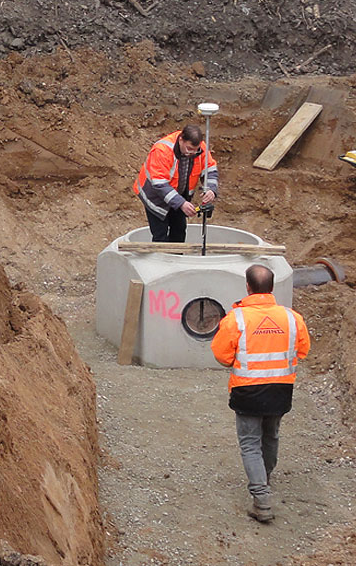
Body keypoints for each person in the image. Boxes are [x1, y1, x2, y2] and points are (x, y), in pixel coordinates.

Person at [211, 264, 310, 523]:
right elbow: (302, 350)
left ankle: (261, 498)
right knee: (271, 435)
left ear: (248, 287)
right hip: (281, 389)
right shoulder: (292, 318)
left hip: (247, 390)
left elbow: (222, 355)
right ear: (271, 288)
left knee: (249, 442)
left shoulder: (236, 319)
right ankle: (264, 477)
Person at [133, 124, 218, 242]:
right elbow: (159, 184)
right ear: (181, 140)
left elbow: (210, 169)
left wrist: (210, 189)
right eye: (189, 149)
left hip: (178, 195)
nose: (192, 153)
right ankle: (161, 259)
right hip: (155, 197)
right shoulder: (162, 150)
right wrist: (181, 203)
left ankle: (177, 258)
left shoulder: (200, 148)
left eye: (195, 150)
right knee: (160, 235)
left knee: (179, 230)